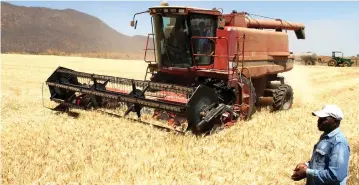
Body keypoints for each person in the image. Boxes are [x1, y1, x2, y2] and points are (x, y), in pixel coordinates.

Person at [291, 104, 350, 185]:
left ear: (335, 121)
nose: (319, 121)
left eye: (324, 119)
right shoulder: (325, 137)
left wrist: (307, 172)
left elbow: (336, 175)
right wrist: (306, 165)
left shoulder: (338, 143)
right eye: (319, 118)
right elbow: (322, 162)